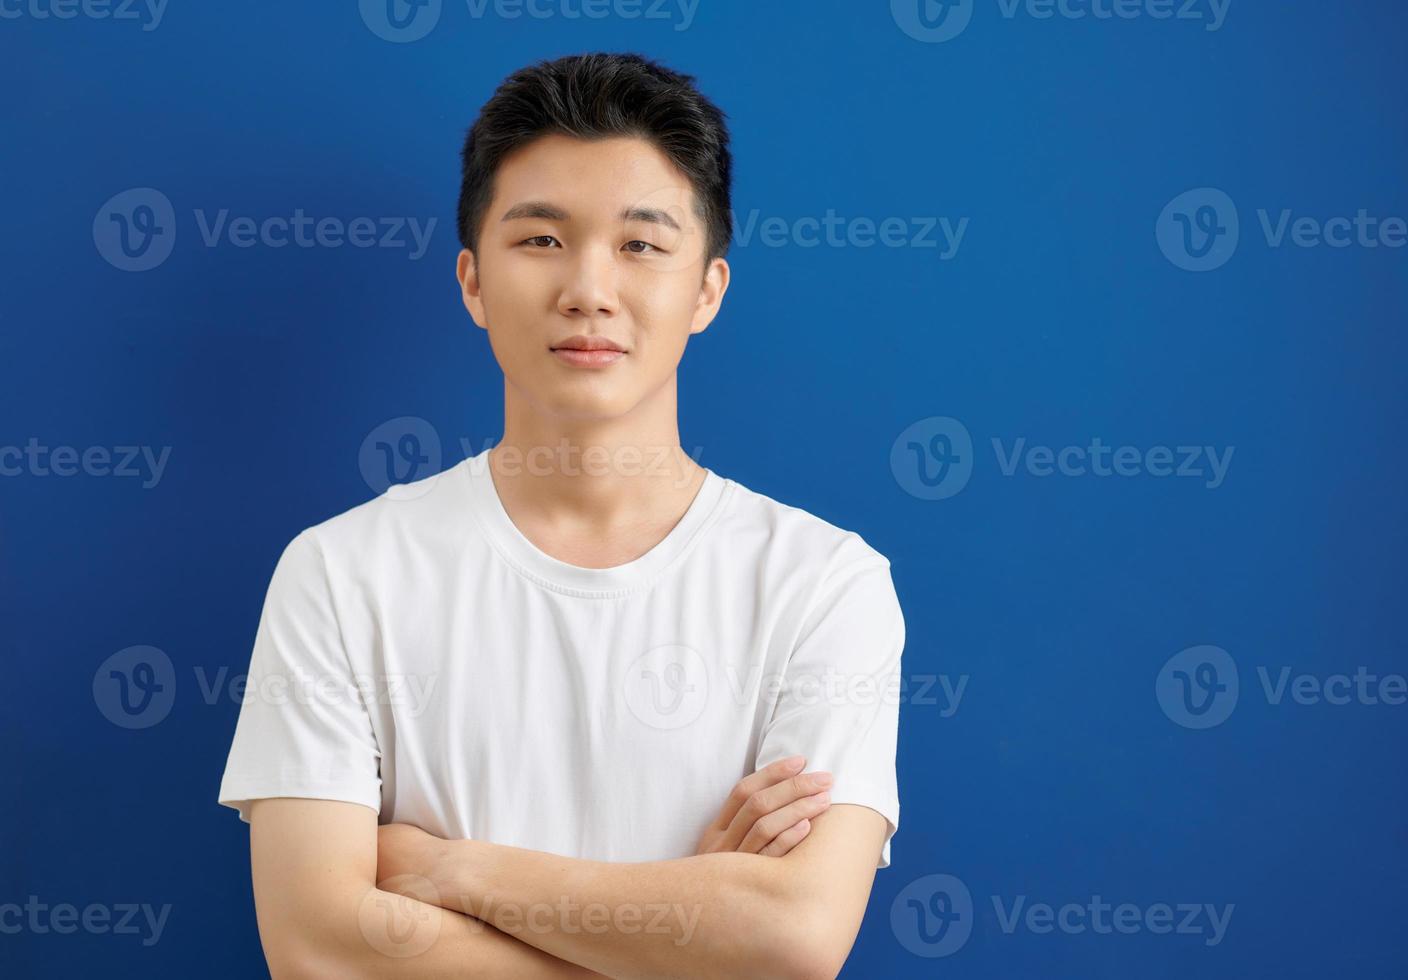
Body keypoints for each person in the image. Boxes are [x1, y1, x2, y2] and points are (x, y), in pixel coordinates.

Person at [217, 51, 906, 979]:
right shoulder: (342, 573)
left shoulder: (823, 584)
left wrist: (448, 869)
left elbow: (792, 939)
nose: (589, 288)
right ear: (471, 280)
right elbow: (318, 948)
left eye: (641, 244)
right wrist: (687, 935)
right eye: (541, 239)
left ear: (707, 289)